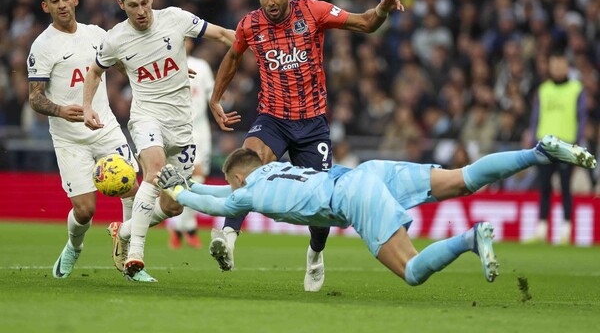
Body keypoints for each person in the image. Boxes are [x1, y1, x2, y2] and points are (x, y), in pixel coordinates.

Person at [155, 135, 596, 289]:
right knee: (462, 178)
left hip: (353, 197)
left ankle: (470, 237)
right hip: (366, 172)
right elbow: (219, 190)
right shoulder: (279, 168)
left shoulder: (244, 193)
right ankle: (539, 153)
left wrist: (178, 187)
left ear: (237, 179)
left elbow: (214, 202)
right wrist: (187, 183)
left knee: (412, 273)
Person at [208, 0, 404, 292]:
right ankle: (227, 238)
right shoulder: (250, 25)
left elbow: (366, 23)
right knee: (248, 162)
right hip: (273, 118)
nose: (269, 2)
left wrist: (382, 9)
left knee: (319, 209)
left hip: (312, 125)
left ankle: (315, 254)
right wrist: (216, 98)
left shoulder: (313, 11)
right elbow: (232, 57)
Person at [82, 0, 236, 278]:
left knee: (173, 205)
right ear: (121, 5)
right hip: (146, 116)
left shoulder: (176, 19)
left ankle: (125, 231)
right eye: (132, 6)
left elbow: (223, 35)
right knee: (154, 170)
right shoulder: (115, 38)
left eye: (144, 3)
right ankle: (135, 253)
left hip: (183, 124)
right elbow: (95, 72)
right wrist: (87, 106)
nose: (140, 12)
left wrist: (255, 44)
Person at [27, 0, 154, 282]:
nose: (61, 5)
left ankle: (129, 258)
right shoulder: (42, 46)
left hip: (105, 128)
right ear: (46, 6)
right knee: (84, 211)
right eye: (54, 1)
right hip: (70, 139)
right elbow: (34, 98)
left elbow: (123, 64)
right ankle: (74, 246)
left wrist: (158, 72)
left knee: (134, 193)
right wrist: (60, 110)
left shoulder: (97, 34)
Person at [528, 51, 587, 244]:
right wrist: (533, 140)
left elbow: (581, 117)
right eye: (554, 65)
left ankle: (566, 229)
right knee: (544, 186)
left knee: (565, 187)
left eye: (560, 65)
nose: (557, 69)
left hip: (566, 145)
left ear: (566, 67)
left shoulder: (576, 88)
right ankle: (542, 229)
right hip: (545, 145)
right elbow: (536, 117)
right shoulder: (543, 89)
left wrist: (578, 142)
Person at [165, 39, 215, 250]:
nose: (183, 43)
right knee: (178, 179)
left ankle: (179, 228)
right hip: (174, 130)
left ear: (191, 43)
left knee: (198, 177)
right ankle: (187, 227)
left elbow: (213, 95)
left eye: (185, 39)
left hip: (200, 131)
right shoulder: (165, 65)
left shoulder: (202, 66)